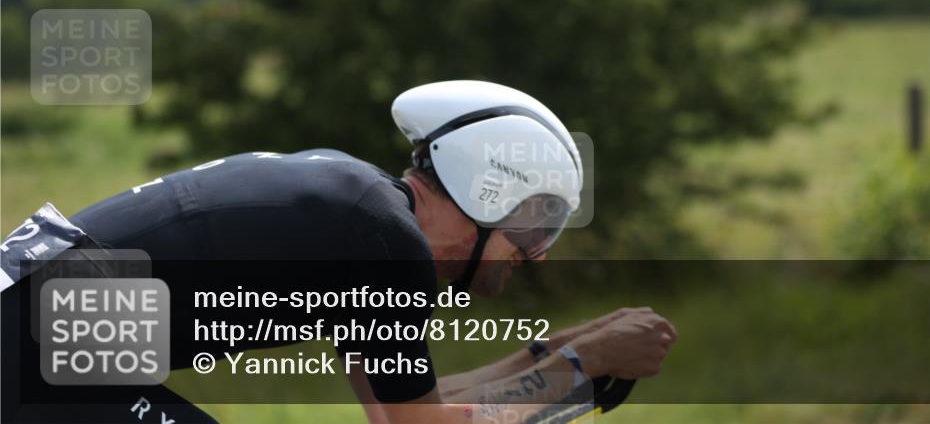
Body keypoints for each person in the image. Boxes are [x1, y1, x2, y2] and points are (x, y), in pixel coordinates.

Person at [3, 80, 677, 424]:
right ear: (487, 188)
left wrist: (554, 352)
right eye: (536, 228)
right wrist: (585, 368)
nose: (537, 256)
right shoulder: (383, 244)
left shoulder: (360, 215)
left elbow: (409, 409)